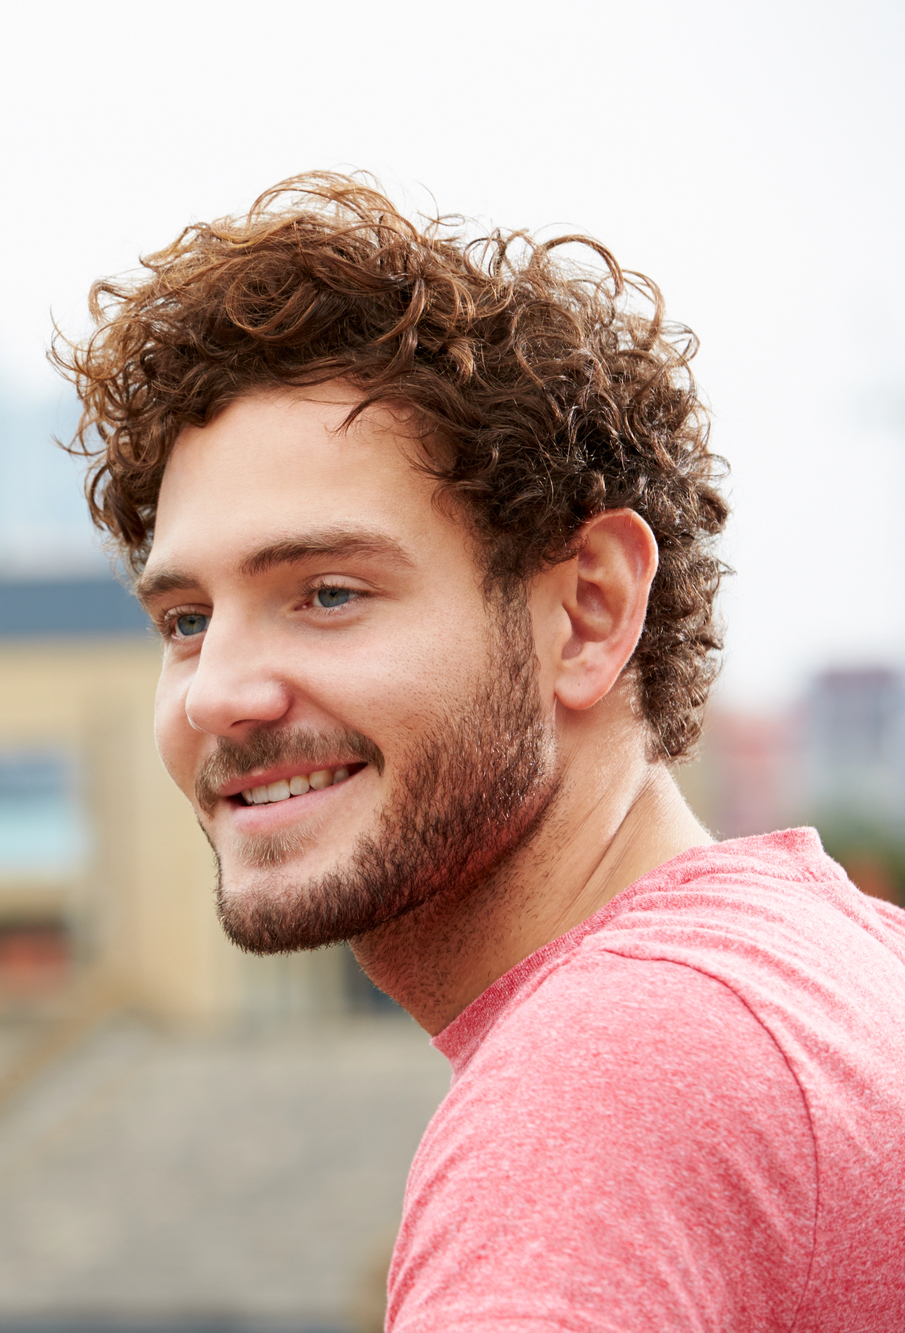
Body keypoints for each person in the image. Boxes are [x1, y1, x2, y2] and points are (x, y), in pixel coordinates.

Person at [55, 174, 905, 1330]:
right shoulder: (831, 971)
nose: (217, 696)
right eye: (186, 621)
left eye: (327, 592)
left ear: (589, 612)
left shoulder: (606, 1087)